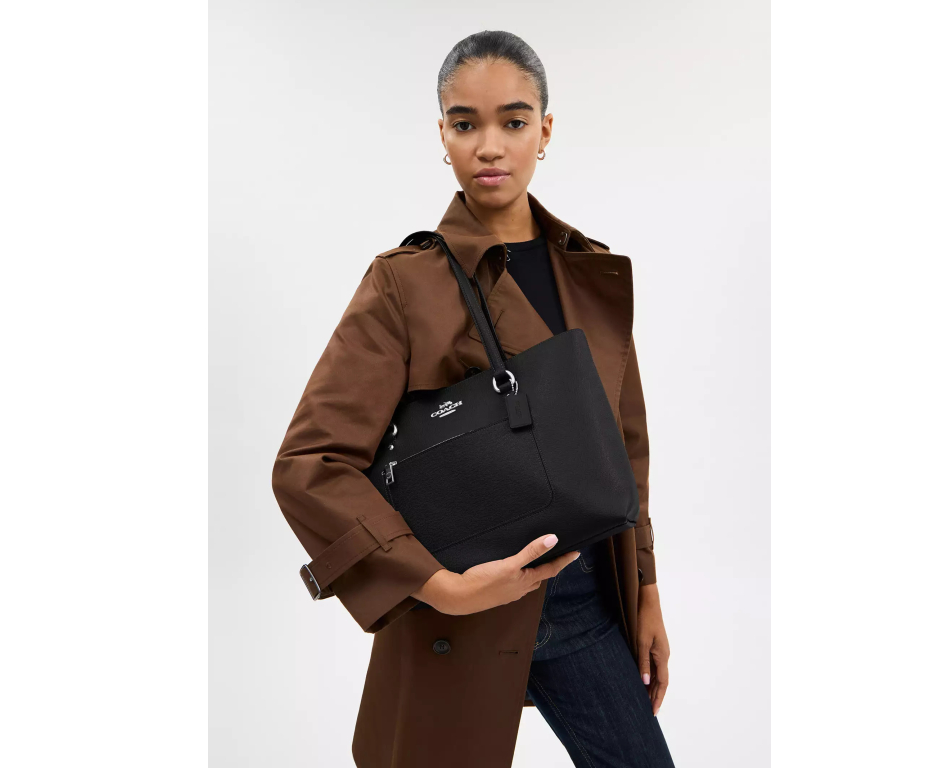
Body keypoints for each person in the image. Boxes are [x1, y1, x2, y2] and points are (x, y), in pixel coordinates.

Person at [272, 30, 673, 768]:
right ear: (443, 136)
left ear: (544, 131)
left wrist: (645, 590)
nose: (489, 146)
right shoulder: (406, 281)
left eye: (513, 121)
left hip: (587, 599)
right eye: (465, 123)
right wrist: (440, 588)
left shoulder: (589, 274)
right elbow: (311, 462)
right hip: (456, 610)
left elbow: (626, 448)